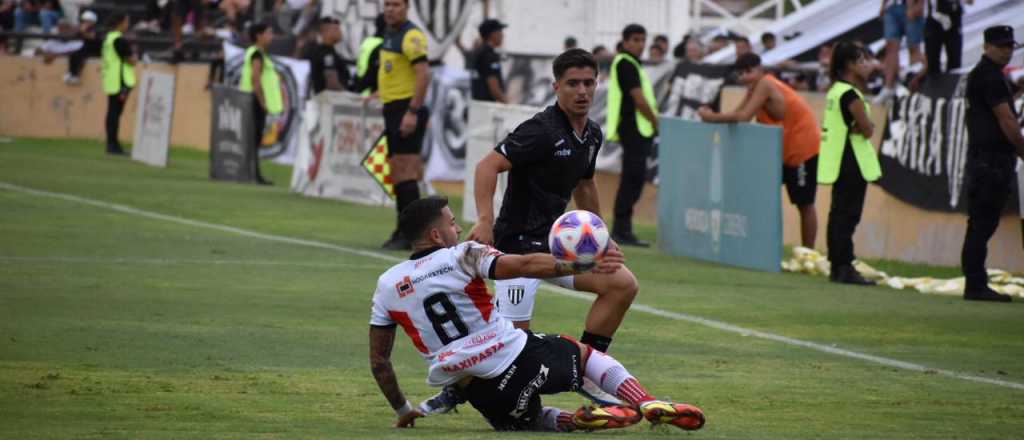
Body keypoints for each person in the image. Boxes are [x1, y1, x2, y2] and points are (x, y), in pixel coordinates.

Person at [369, 196, 706, 432]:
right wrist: (582, 262)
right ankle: (646, 402)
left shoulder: (386, 284)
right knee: (585, 355)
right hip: (518, 355)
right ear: (435, 234)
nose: (458, 230)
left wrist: (403, 410)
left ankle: (576, 421)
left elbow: (380, 363)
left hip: (477, 391)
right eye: (453, 224)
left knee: (530, 421)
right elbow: (525, 264)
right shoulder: (463, 255)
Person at [459, 49, 640, 411]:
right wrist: (484, 219)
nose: (582, 91)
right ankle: (460, 389)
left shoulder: (591, 134)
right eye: (573, 83)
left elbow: (585, 185)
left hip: (560, 250)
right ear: (556, 86)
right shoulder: (541, 130)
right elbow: (487, 166)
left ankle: (591, 373)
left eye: (589, 82)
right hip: (519, 251)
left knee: (622, 284)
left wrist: (601, 239)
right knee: (514, 350)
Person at [698, 53, 821, 249]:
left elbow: (743, 116)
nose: (743, 78)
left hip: (801, 148)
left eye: (746, 72)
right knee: (764, 197)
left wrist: (711, 118)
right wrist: (714, 115)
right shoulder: (754, 87)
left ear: (757, 70)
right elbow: (736, 114)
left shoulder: (765, 84)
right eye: (740, 74)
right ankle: (763, 248)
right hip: (783, 150)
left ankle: (808, 253)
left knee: (804, 203)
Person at [960, 26, 1024, 303]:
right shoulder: (991, 77)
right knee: (982, 225)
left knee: (979, 225)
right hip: (991, 161)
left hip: (984, 159)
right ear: (986, 47)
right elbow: (1007, 120)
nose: (1007, 51)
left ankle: (974, 283)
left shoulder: (985, 75)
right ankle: (975, 285)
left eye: (1010, 45)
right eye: (1001, 46)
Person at [818, 42, 882, 285]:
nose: (868, 66)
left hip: (839, 159)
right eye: (862, 61)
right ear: (849, 65)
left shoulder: (835, 90)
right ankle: (845, 266)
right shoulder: (851, 94)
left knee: (838, 213)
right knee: (848, 215)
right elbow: (866, 129)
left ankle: (838, 265)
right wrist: (866, 126)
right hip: (852, 160)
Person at [378, 0, 431, 250]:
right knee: (398, 173)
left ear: (407, 7)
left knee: (405, 172)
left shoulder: (411, 35)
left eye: (396, 4)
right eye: (387, 4)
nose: (390, 9)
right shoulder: (391, 33)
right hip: (393, 108)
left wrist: (412, 112)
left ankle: (412, 234)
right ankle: (405, 229)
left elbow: (423, 74)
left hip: (405, 108)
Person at [607, 24, 658, 247]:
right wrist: (656, 122)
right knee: (632, 179)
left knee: (634, 179)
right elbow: (638, 99)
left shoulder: (631, 63)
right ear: (625, 42)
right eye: (635, 40)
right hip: (634, 130)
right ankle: (621, 230)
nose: (640, 44)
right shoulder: (626, 63)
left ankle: (622, 229)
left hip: (637, 130)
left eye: (643, 39)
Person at [239, 22, 280, 185]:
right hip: (255, 102)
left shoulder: (253, 53)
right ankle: (254, 175)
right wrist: (263, 102)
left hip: (250, 100)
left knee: (252, 139)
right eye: (269, 33)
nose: (272, 36)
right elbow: (255, 79)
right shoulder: (257, 55)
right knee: (254, 140)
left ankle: (250, 173)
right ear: (259, 36)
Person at [910, 0, 971, 90]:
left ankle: (952, 89)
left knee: (954, 60)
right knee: (932, 61)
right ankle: (934, 90)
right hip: (934, 18)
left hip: (954, 16)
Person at [876, 0, 925, 103]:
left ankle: (915, 82)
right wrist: (883, 5)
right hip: (892, 6)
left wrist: (919, 5)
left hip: (909, 4)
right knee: (891, 47)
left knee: (913, 47)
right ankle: (888, 86)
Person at [101, 13, 135, 156]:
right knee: (115, 114)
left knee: (112, 113)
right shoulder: (119, 40)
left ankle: (111, 144)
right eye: (127, 22)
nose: (128, 25)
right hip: (121, 82)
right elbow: (131, 60)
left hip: (111, 80)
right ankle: (113, 146)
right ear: (121, 23)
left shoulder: (108, 39)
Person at [302, 16, 351, 95]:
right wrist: (349, 96)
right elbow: (332, 83)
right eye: (336, 29)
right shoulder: (326, 55)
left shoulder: (330, 52)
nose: (340, 32)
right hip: (329, 101)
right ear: (325, 32)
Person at [470, 18, 508, 103]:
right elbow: (494, 87)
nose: (502, 35)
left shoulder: (477, 52)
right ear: (492, 34)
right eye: (500, 32)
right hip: (488, 106)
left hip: (477, 104)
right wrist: (507, 104)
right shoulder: (490, 55)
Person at [354, 13, 385, 97]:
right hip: (371, 94)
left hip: (361, 90)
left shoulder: (367, 41)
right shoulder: (382, 45)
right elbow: (373, 73)